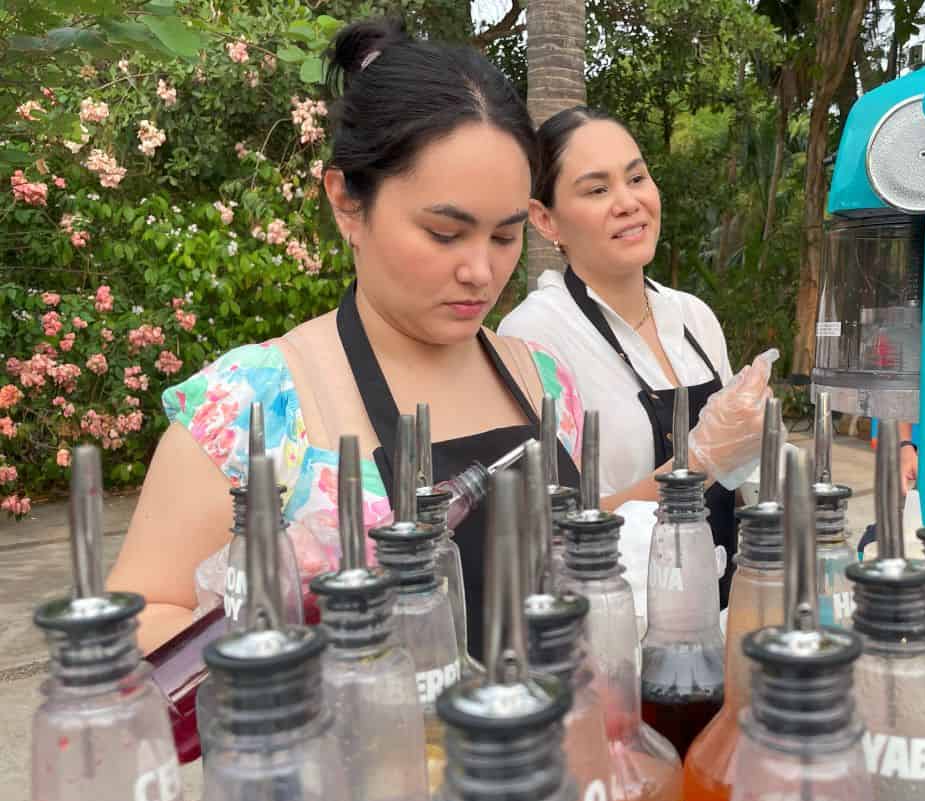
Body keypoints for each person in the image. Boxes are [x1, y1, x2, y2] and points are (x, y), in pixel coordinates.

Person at [108, 18, 584, 658]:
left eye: (504, 236)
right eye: (445, 233)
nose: (480, 270)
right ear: (346, 203)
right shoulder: (250, 407)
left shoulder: (544, 380)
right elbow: (138, 627)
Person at [498, 106, 772, 601]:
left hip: (725, 605)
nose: (628, 203)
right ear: (544, 218)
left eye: (637, 178)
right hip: (622, 619)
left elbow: (743, 482)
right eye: (597, 189)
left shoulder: (694, 317)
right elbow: (551, 533)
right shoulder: (534, 335)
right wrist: (699, 462)